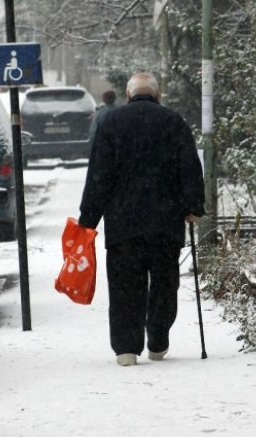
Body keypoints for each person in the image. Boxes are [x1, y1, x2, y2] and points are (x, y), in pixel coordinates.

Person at [78, 72, 205, 366]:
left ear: (128, 94)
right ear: (157, 95)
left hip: (123, 225)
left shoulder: (111, 123)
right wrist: (193, 206)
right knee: (164, 283)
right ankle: (158, 341)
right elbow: (190, 168)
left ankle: (126, 349)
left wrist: (88, 219)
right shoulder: (173, 122)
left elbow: (99, 175)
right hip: (165, 223)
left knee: (124, 287)